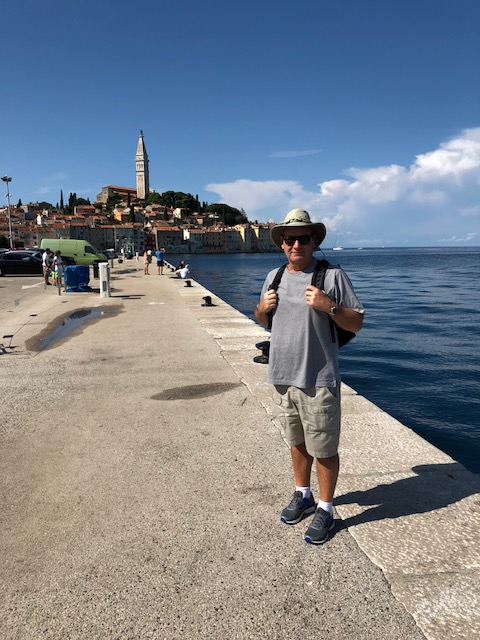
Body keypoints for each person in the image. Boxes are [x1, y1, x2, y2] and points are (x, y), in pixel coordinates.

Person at [254, 209, 364, 545]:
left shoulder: (331, 276)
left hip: (319, 379)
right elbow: (264, 321)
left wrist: (329, 306)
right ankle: (303, 495)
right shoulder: (274, 277)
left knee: (325, 448)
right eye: (290, 239)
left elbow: (356, 323)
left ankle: (326, 509)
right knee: (297, 442)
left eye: (303, 238)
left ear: (314, 241)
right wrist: (261, 309)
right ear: (282, 244)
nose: (296, 244)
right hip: (283, 376)